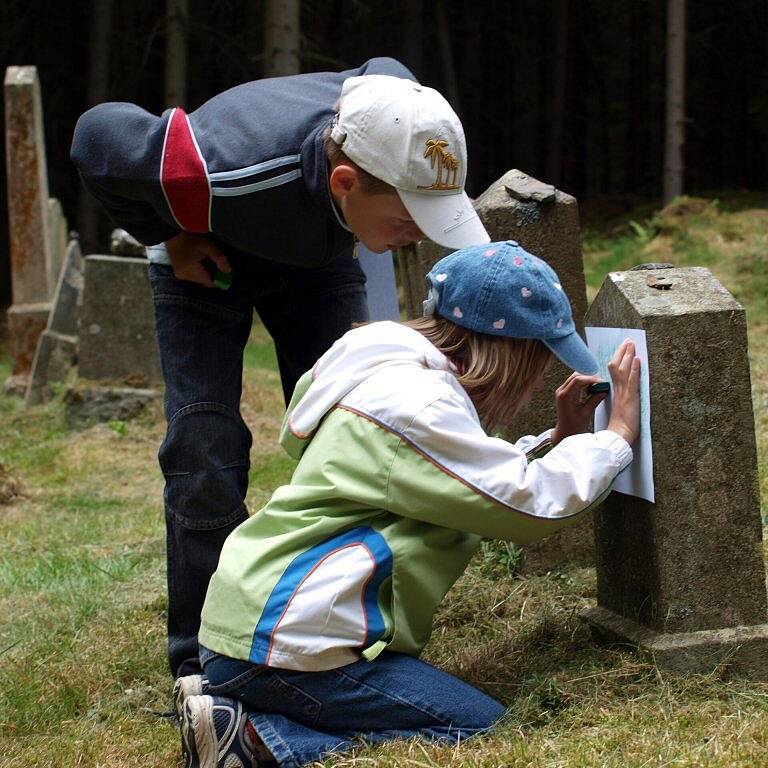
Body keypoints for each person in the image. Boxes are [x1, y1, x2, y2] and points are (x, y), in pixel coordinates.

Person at [70, 59, 490, 679]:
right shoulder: (213, 168)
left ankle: (332, 625)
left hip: (316, 262)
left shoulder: (392, 130)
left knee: (356, 429)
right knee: (203, 448)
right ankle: (205, 660)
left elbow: (387, 70)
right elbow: (95, 136)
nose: (416, 237)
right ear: (345, 182)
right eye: (407, 222)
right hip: (205, 254)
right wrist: (164, 229)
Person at [173, 241, 641, 768]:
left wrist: (561, 436)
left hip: (250, 632)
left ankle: (232, 706)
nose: (534, 380)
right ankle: (255, 740)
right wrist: (617, 436)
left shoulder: (388, 378)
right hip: (291, 648)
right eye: (537, 362)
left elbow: (460, 475)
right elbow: (529, 504)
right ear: (512, 354)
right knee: (479, 727)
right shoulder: (418, 405)